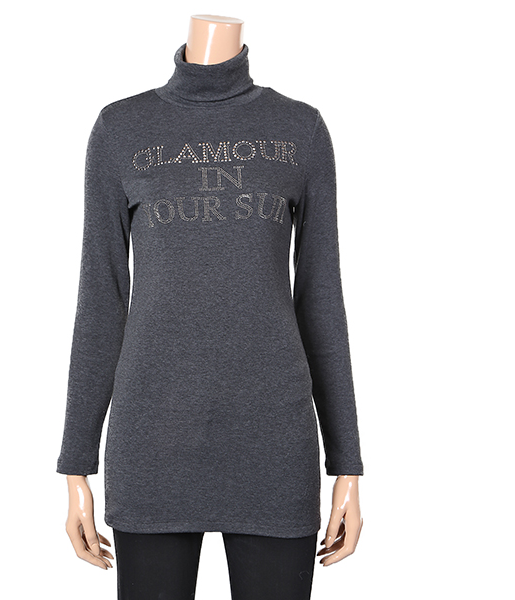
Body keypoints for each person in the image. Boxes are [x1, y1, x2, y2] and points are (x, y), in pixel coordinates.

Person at [57, 14, 364, 599]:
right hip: (152, 440)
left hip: (274, 441)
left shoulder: (300, 129)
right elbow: (100, 299)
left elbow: (322, 299)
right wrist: (77, 462)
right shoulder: (121, 129)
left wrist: (346, 462)